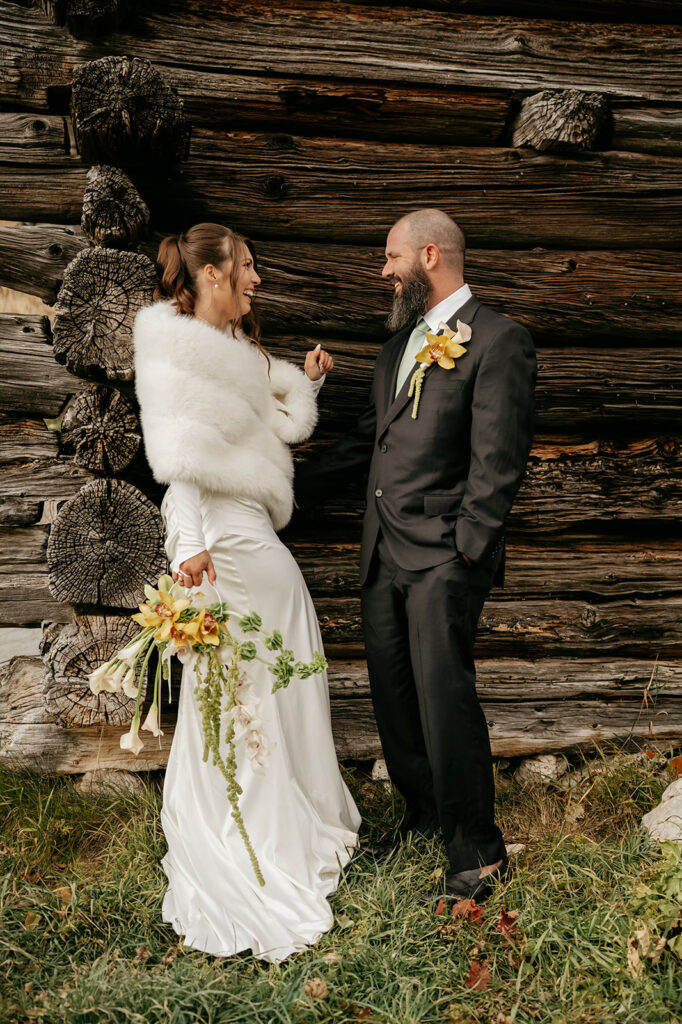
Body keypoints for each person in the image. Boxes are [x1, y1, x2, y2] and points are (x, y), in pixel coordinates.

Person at [132, 222, 360, 963]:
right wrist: (190, 548)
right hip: (224, 544)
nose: (257, 281)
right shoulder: (180, 352)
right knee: (243, 687)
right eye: (248, 268)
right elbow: (182, 467)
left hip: (262, 539)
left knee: (286, 669)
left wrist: (310, 380)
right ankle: (249, 830)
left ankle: (294, 810)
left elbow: (277, 428)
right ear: (209, 273)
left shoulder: (241, 354)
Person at [295, 209, 536, 903]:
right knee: (395, 700)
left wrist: (466, 548)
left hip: (443, 558)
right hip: (382, 555)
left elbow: (498, 463)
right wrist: (265, 485)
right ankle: (426, 814)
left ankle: (477, 853)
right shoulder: (396, 348)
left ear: (429, 255)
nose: (383, 270)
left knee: (443, 699)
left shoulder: (499, 340)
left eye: (391, 256)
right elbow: (362, 448)